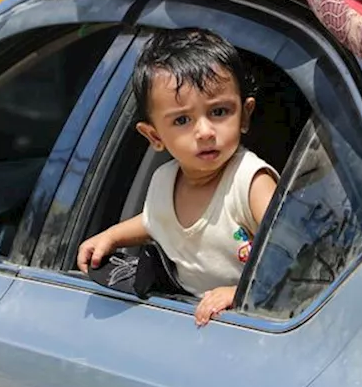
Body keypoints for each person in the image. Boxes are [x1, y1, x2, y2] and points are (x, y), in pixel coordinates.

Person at [77, 28, 279, 327]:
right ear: (155, 136)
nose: (205, 131)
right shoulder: (164, 180)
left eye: (220, 111)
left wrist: (242, 293)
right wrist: (112, 236)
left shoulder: (250, 183)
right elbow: (155, 220)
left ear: (245, 115)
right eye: (183, 120)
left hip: (254, 320)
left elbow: (294, 255)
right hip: (196, 325)